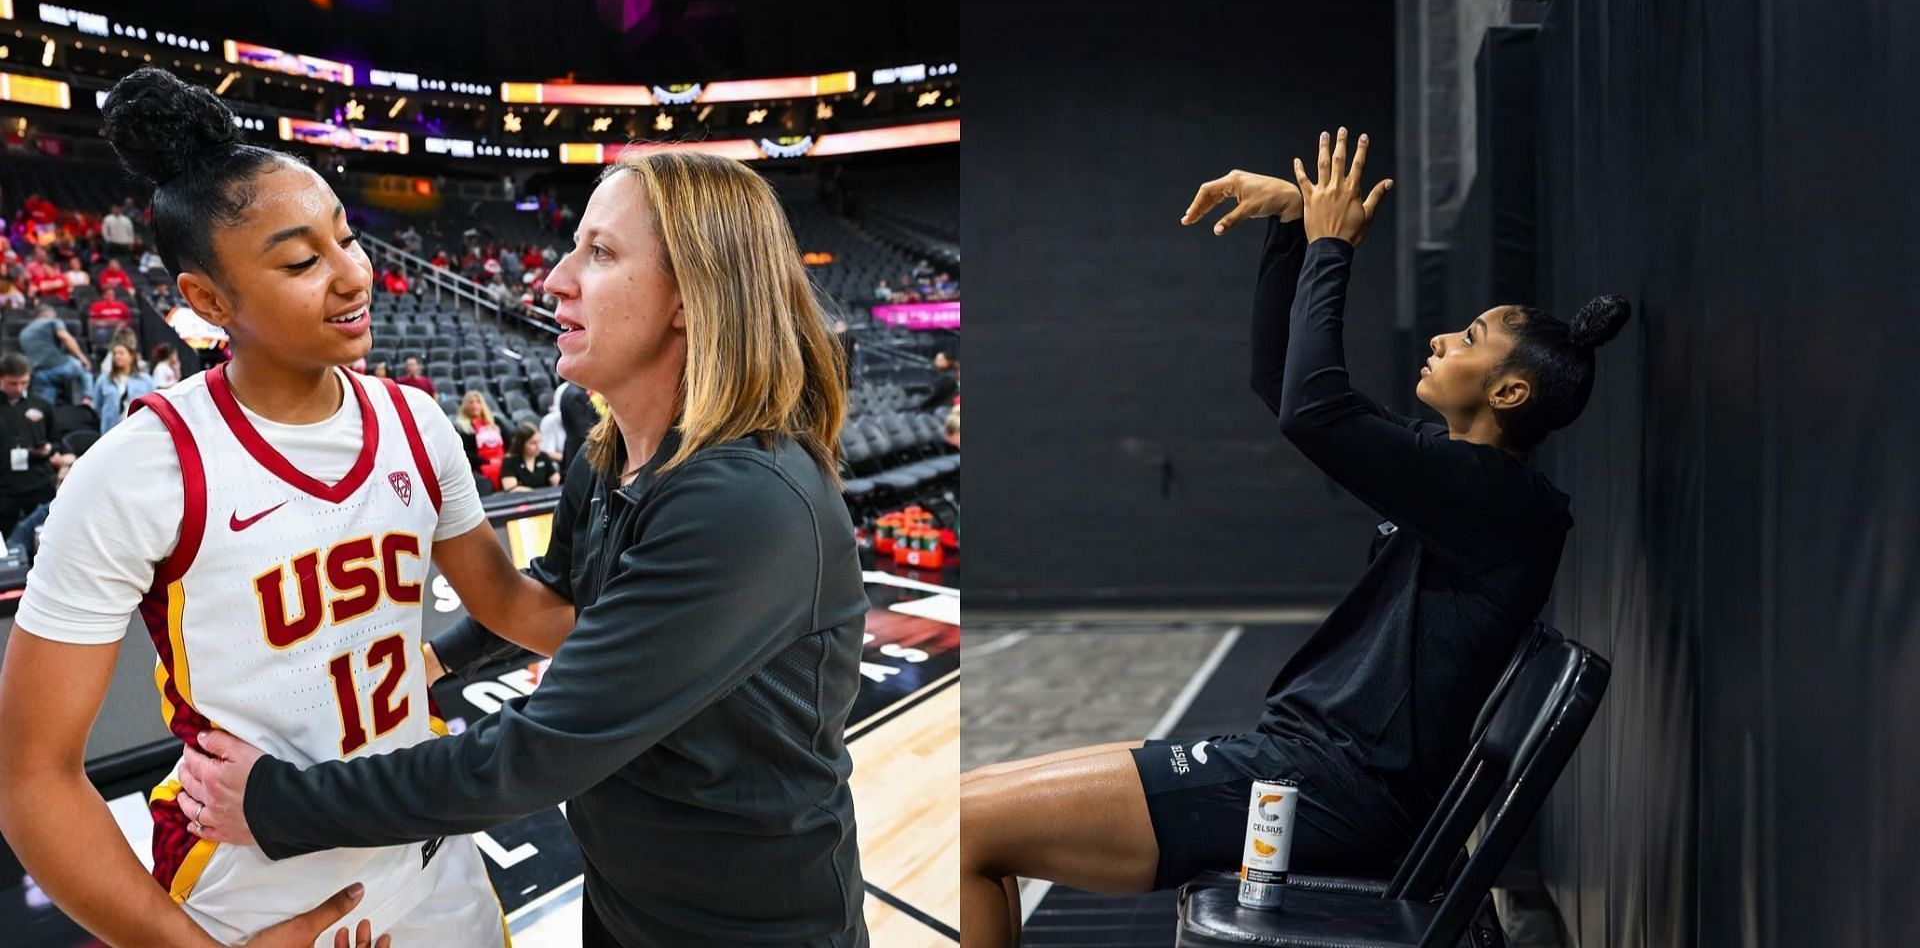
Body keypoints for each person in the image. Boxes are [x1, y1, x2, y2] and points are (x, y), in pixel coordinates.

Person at [176, 150, 871, 948]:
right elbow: (557, 599)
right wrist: (439, 660)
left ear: (692, 297)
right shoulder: (608, 454)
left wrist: (274, 804)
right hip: (625, 897)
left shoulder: (748, 504)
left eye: (600, 253)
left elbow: (534, 757)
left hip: (753, 927)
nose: (555, 280)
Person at [959, 129, 1631, 947]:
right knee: (976, 802)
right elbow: (1284, 386)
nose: (1440, 340)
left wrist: (1332, 247)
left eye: (1470, 339)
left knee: (970, 827)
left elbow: (1314, 408)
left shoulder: (1499, 497)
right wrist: (1288, 233)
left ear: (1512, 389)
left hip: (1327, 791)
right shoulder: (1466, 482)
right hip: (1306, 766)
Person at [0, 66, 509, 948]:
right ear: (206, 301)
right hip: (253, 890)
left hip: (433, 851)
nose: (352, 276)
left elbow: (508, 607)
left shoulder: (417, 420)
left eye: (347, 239)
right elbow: (31, 779)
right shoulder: (137, 470)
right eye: (304, 260)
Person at [0, 353, 73, 537]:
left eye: (24, 382)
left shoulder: (42, 405)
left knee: (45, 538)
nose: (19, 388)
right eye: (13, 383)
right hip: (5, 486)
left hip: (38, 483)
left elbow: (57, 443)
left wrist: (49, 450)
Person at [18, 305, 92, 405]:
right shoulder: (53, 321)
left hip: (39, 374)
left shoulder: (23, 332)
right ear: (46, 314)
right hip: (61, 367)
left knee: (46, 406)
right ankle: (88, 399)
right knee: (85, 369)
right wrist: (82, 357)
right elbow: (65, 337)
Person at [90, 342, 156, 432]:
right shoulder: (103, 380)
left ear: (131, 356)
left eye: (121, 353)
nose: (117, 357)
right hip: (111, 431)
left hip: (139, 429)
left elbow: (153, 404)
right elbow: (97, 406)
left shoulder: (146, 380)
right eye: (115, 354)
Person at [498, 422, 561, 491]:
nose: (538, 447)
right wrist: (534, 493)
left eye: (539, 442)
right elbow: (511, 488)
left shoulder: (543, 457)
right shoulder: (510, 461)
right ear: (521, 444)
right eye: (533, 443)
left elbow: (556, 481)